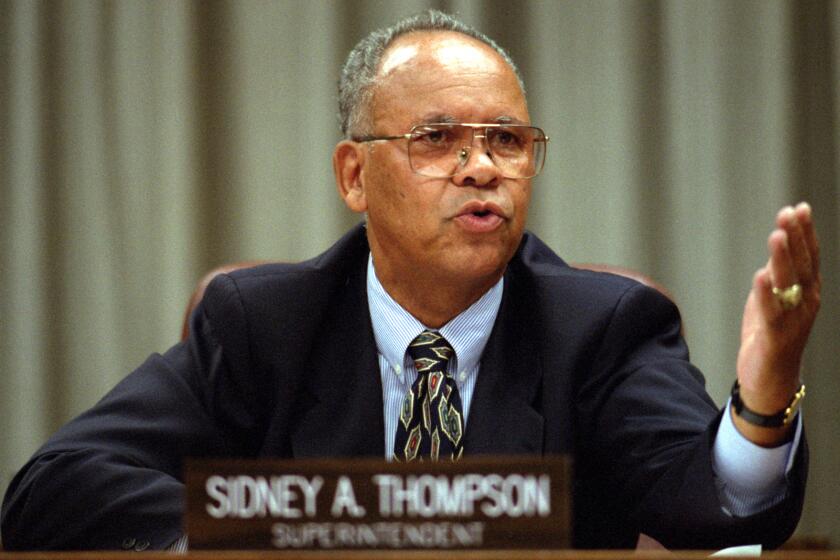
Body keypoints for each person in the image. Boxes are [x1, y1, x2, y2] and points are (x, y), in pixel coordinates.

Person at [1, 10, 821, 552]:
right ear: (355, 175)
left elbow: (712, 502)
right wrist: (257, 537)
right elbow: (52, 489)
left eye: (506, 139)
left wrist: (761, 399)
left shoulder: (601, 327)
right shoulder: (265, 324)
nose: (481, 169)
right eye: (437, 139)